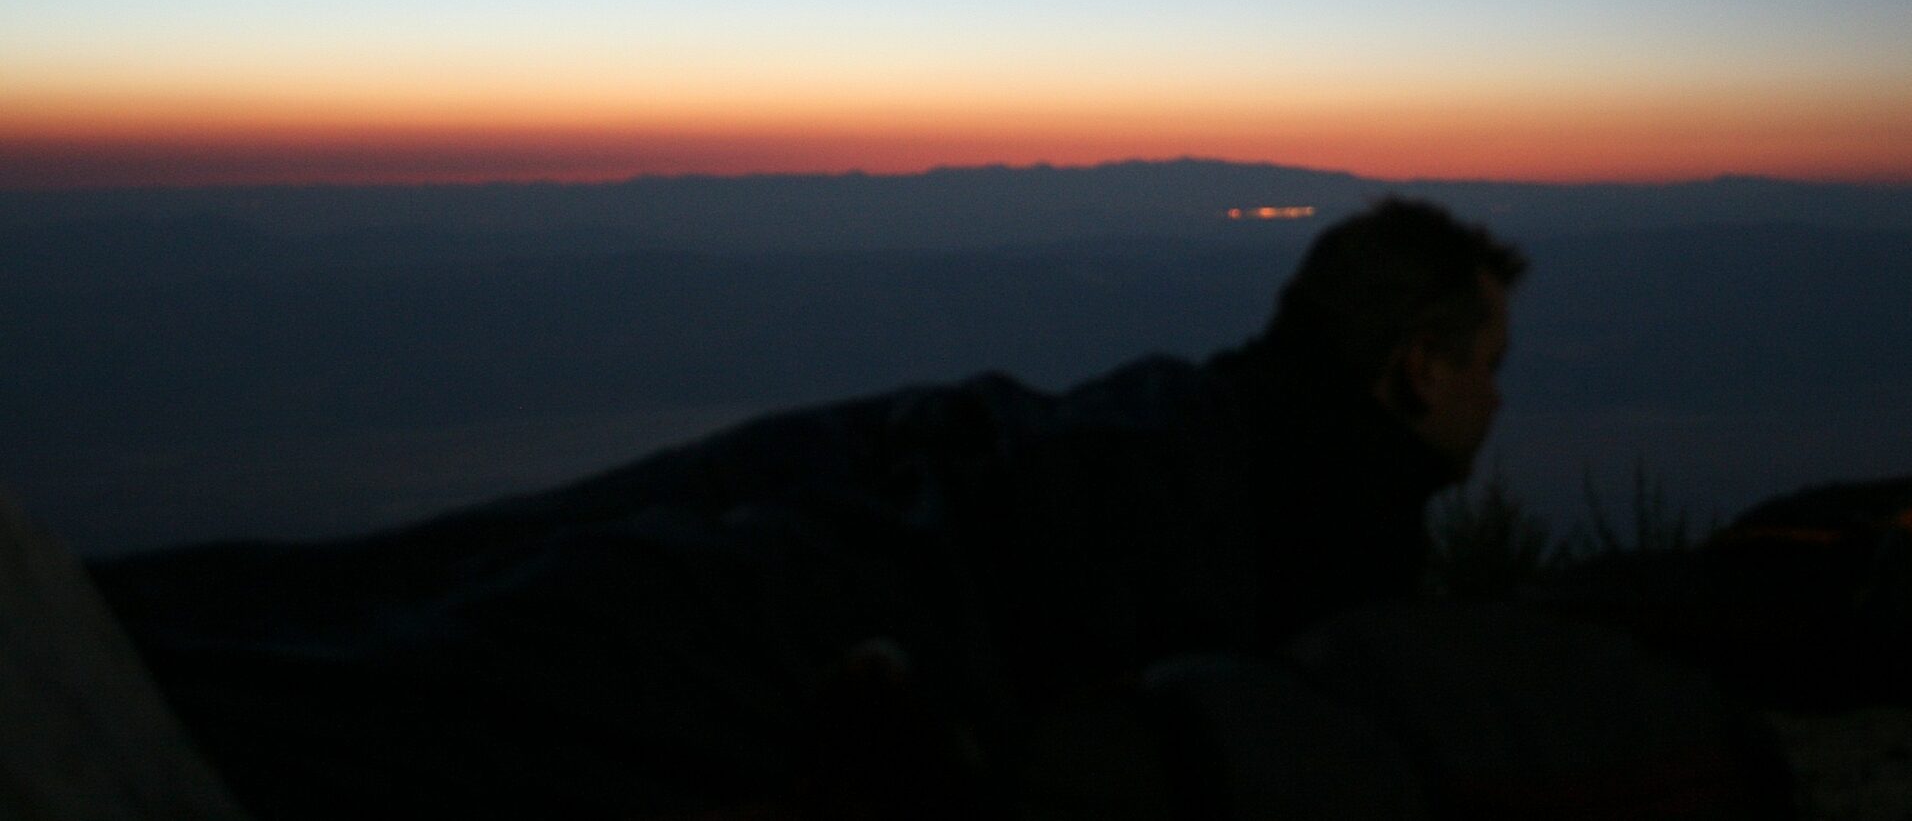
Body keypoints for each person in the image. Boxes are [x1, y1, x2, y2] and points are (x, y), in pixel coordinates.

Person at [65, 197, 1528, 820]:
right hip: (872, 569)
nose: (1499, 404)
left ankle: (75, 638)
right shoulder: (1337, 532)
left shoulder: (1228, 413)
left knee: (454, 584)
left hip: (870, 476)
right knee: (465, 679)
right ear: (1413, 369)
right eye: (1491, 370)